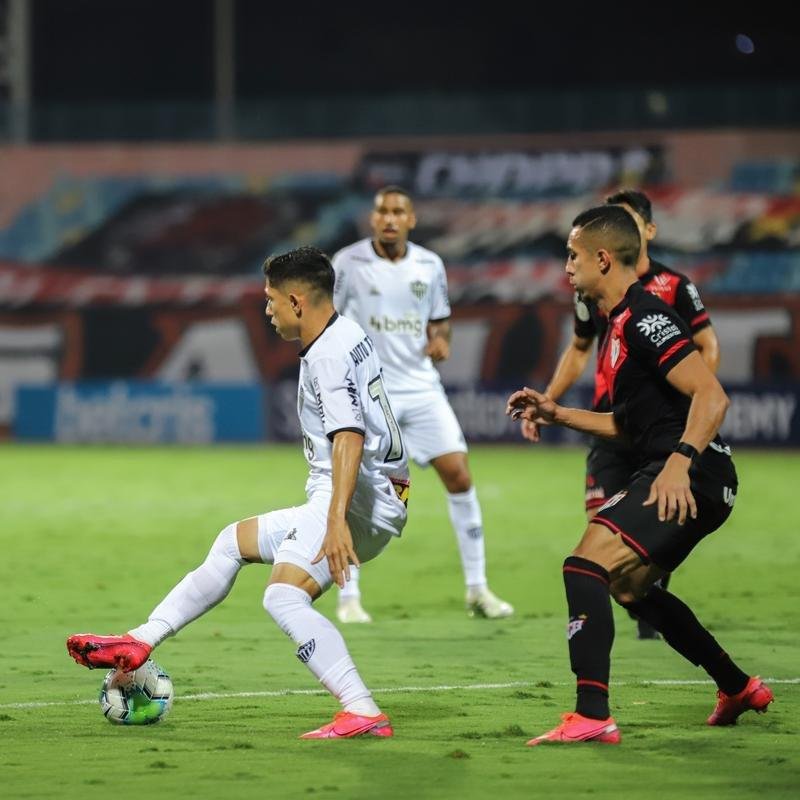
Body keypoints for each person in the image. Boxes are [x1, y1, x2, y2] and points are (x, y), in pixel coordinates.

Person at [67, 246, 411, 739]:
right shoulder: (347, 332)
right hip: (376, 494)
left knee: (284, 599)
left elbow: (349, 436)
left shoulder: (329, 357)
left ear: (296, 301)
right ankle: (141, 640)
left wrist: (337, 521)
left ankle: (360, 708)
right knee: (233, 542)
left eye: (270, 300)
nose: (266, 310)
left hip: (356, 500)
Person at [507, 205, 773, 746]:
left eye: (573, 256)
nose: (566, 268)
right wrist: (558, 413)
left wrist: (679, 462)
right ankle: (738, 685)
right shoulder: (619, 324)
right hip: (689, 470)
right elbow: (629, 427)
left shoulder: (647, 317)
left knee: (584, 567)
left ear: (603, 259)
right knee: (630, 587)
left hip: (694, 472)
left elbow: (711, 394)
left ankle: (591, 714)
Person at [521, 189, 720, 640]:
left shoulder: (668, 291)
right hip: (614, 424)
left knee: (598, 563)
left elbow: (707, 362)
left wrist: (686, 416)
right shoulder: (598, 300)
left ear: (639, 234)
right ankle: (641, 599)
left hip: (663, 434)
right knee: (606, 555)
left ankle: (594, 700)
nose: (569, 266)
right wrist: (549, 405)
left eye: (575, 255)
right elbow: (577, 348)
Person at [331, 185, 513, 623]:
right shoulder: (348, 263)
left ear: (411, 219)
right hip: (372, 392)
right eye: (382, 211)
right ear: (372, 219)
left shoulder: (430, 265)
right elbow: (329, 323)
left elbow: (441, 322)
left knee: (459, 474)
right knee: (355, 487)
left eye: (398, 211)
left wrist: (439, 342)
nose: (390, 218)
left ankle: (477, 590)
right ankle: (348, 598)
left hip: (421, 388)